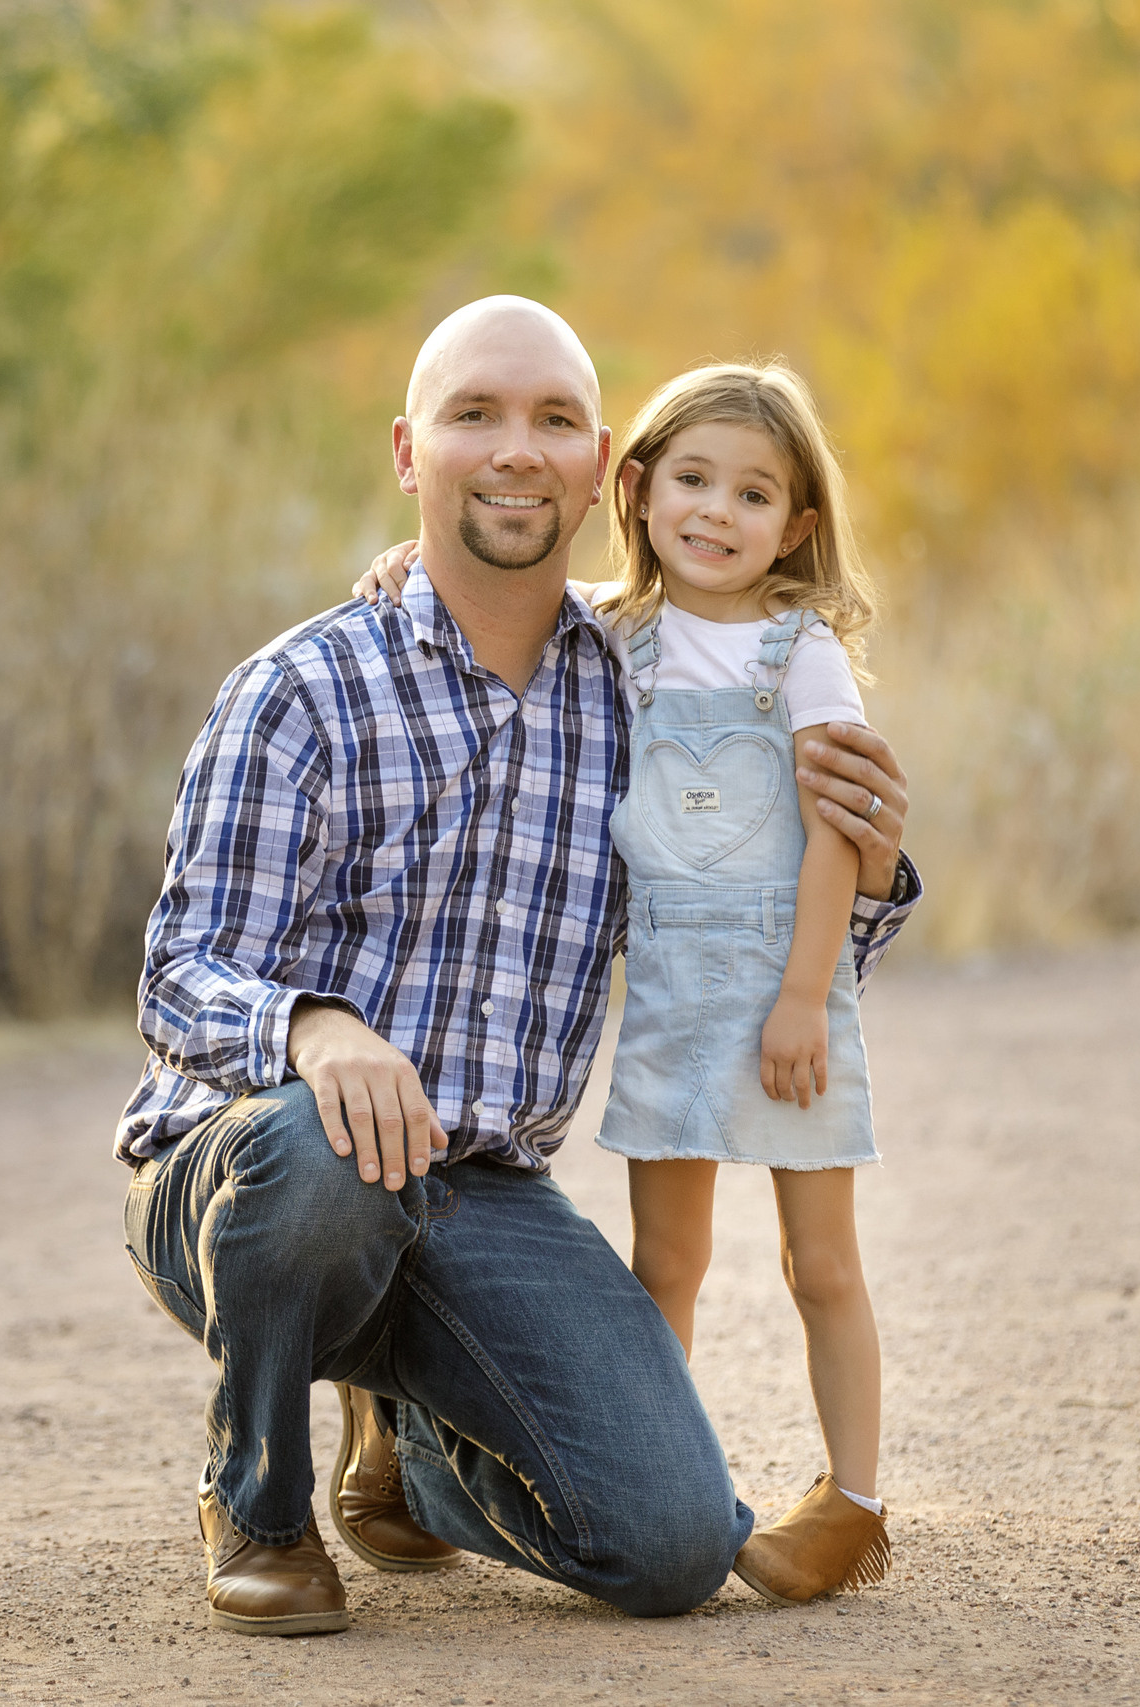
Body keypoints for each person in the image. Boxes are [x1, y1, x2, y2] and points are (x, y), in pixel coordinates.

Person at [117, 297, 922, 1636]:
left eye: (552, 420)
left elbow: (742, 920)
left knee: (669, 1546)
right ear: (407, 451)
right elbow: (180, 978)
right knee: (330, 1157)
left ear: (604, 466)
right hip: (256, 1169)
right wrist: (320, 1029)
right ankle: (258, 1496)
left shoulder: (637, 692)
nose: (514, 447)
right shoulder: (301, 688)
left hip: (479, 1190)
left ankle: (420, 1452)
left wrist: (876, 870)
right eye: (473, 415)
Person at [353, 362, 892, 1604]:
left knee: (822, 1264)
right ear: (637, 491)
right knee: (668, 1264)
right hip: (668, 1010)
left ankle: (852, 1501)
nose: (716, 513)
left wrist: (805, 995)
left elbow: (834, 834)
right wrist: (406, 558)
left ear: (796, 527)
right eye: (692, 481)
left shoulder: (801, 654)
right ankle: (667, 1472)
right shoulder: (616, 631)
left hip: (788, 1002)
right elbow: (493, 581)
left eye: (753, 494)